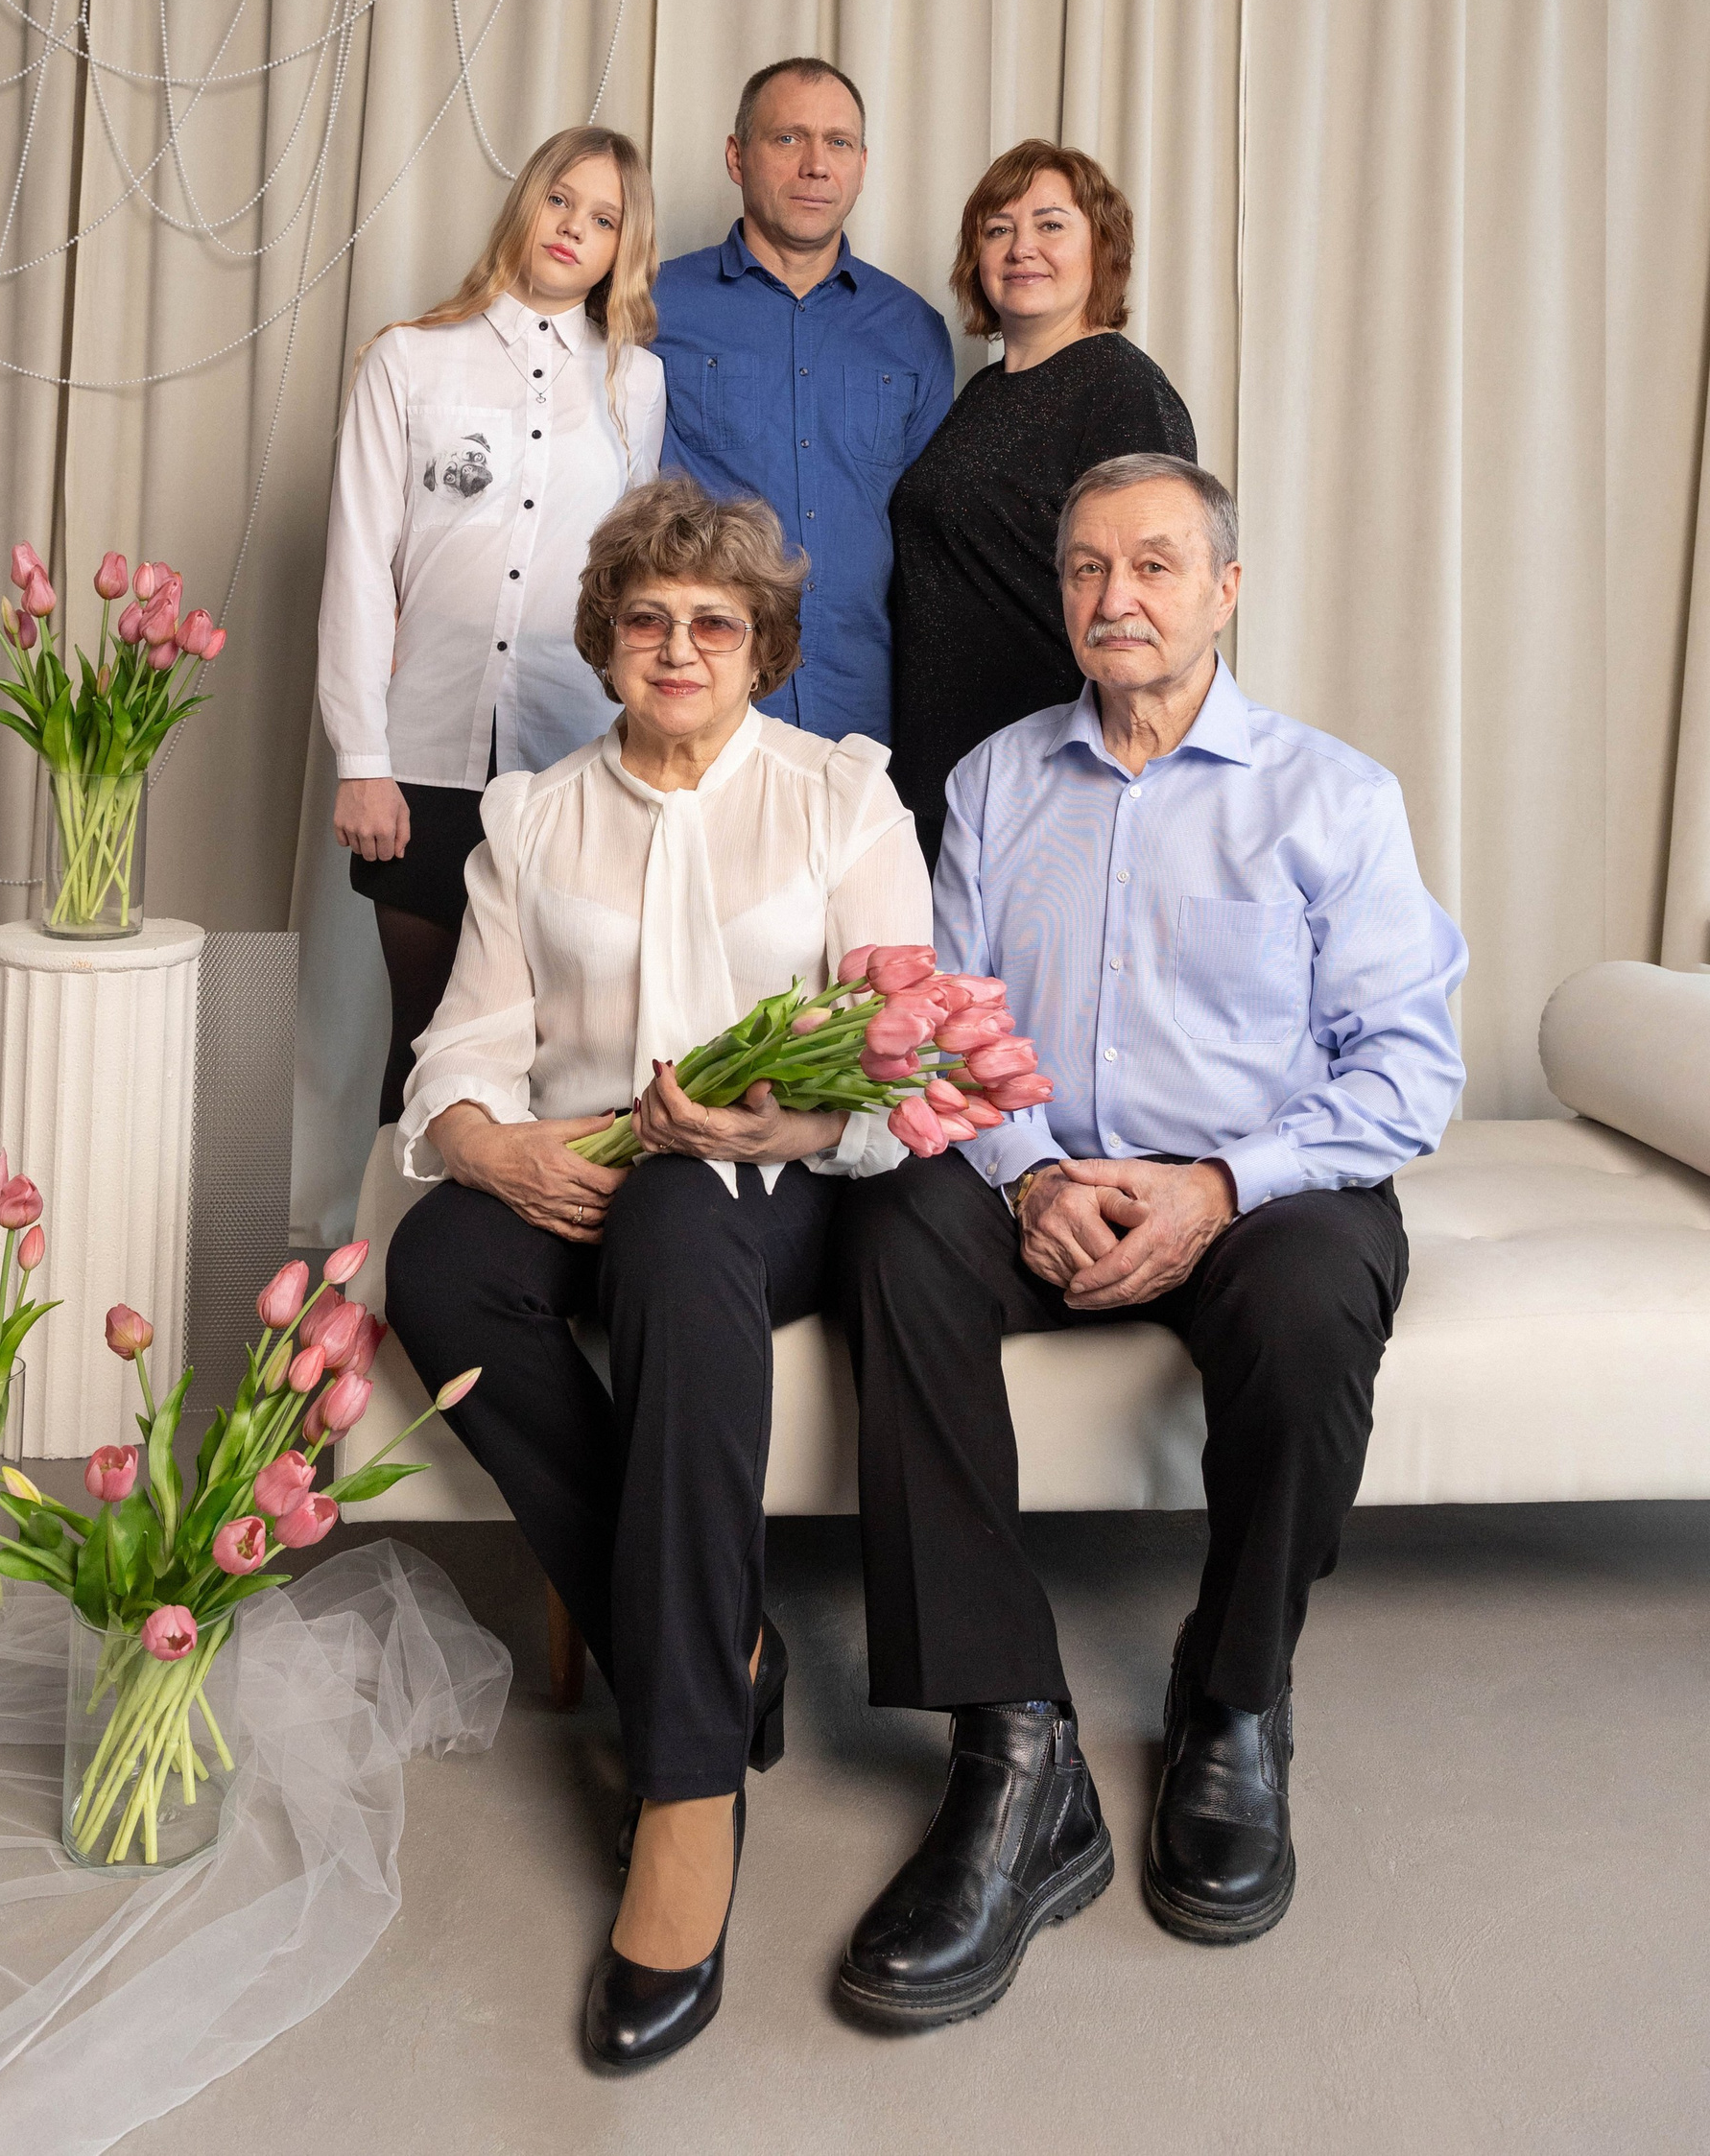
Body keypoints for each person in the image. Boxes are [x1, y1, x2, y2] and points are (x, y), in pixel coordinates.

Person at [832, 452, 1467, 2027]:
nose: (1116, 598)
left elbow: (1407, 1073)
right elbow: (942, 1035)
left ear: (1225, 590)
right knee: (894, 1224)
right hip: (1041, 1175)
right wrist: (1034, 1176)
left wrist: (1218, 1189)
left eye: (1156, 565)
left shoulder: (1334, 795)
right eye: (1086, 569)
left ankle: (1234, 1697)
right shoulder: (994, 782)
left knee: (1320, 1295)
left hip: (1256, 1191)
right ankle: (1013, 1739)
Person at [383, 475, 932, 2073]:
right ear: (604, 640)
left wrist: (779, 1121)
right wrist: (495, 1149)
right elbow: (465, 1047)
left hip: (781, 1188)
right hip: (586, 1169)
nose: (680, 648)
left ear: (764, 647)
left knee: (687, 1213)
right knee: (437, 1264)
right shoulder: (533, 818)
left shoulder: (843, 800)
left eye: (715, 624)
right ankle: (718, 1644)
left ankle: (687, 1789)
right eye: (648, 620)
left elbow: (901, 1055)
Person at [319, 128, 664, 1125]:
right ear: (526, 203)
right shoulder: (410, 360)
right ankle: (387, 1230)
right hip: (423, 755)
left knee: (561, 1048)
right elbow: (357, 565)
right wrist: (363, 759)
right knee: (427, 1039)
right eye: (561, 200)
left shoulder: (635, 382)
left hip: (572, 760)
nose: (574, 228)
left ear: (622, 248)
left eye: (604, 219)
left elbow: (630, 581)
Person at [891, 142, 1197, 869]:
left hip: (1055, 771)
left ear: (1102, 247)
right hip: (949, 757)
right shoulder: (983, 391)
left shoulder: (1123, 393)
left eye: (1050, 225)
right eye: (998, 229)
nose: (1021, 246)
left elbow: (1154, 602)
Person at [653, 57, 955, 748]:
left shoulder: (914, 331)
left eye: (838, 143)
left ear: (862, 165)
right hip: (701, 709)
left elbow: (929, 541)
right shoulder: (653, 307)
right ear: (737, 156)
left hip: (864, 717)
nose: (816, 165)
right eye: (788, 138)